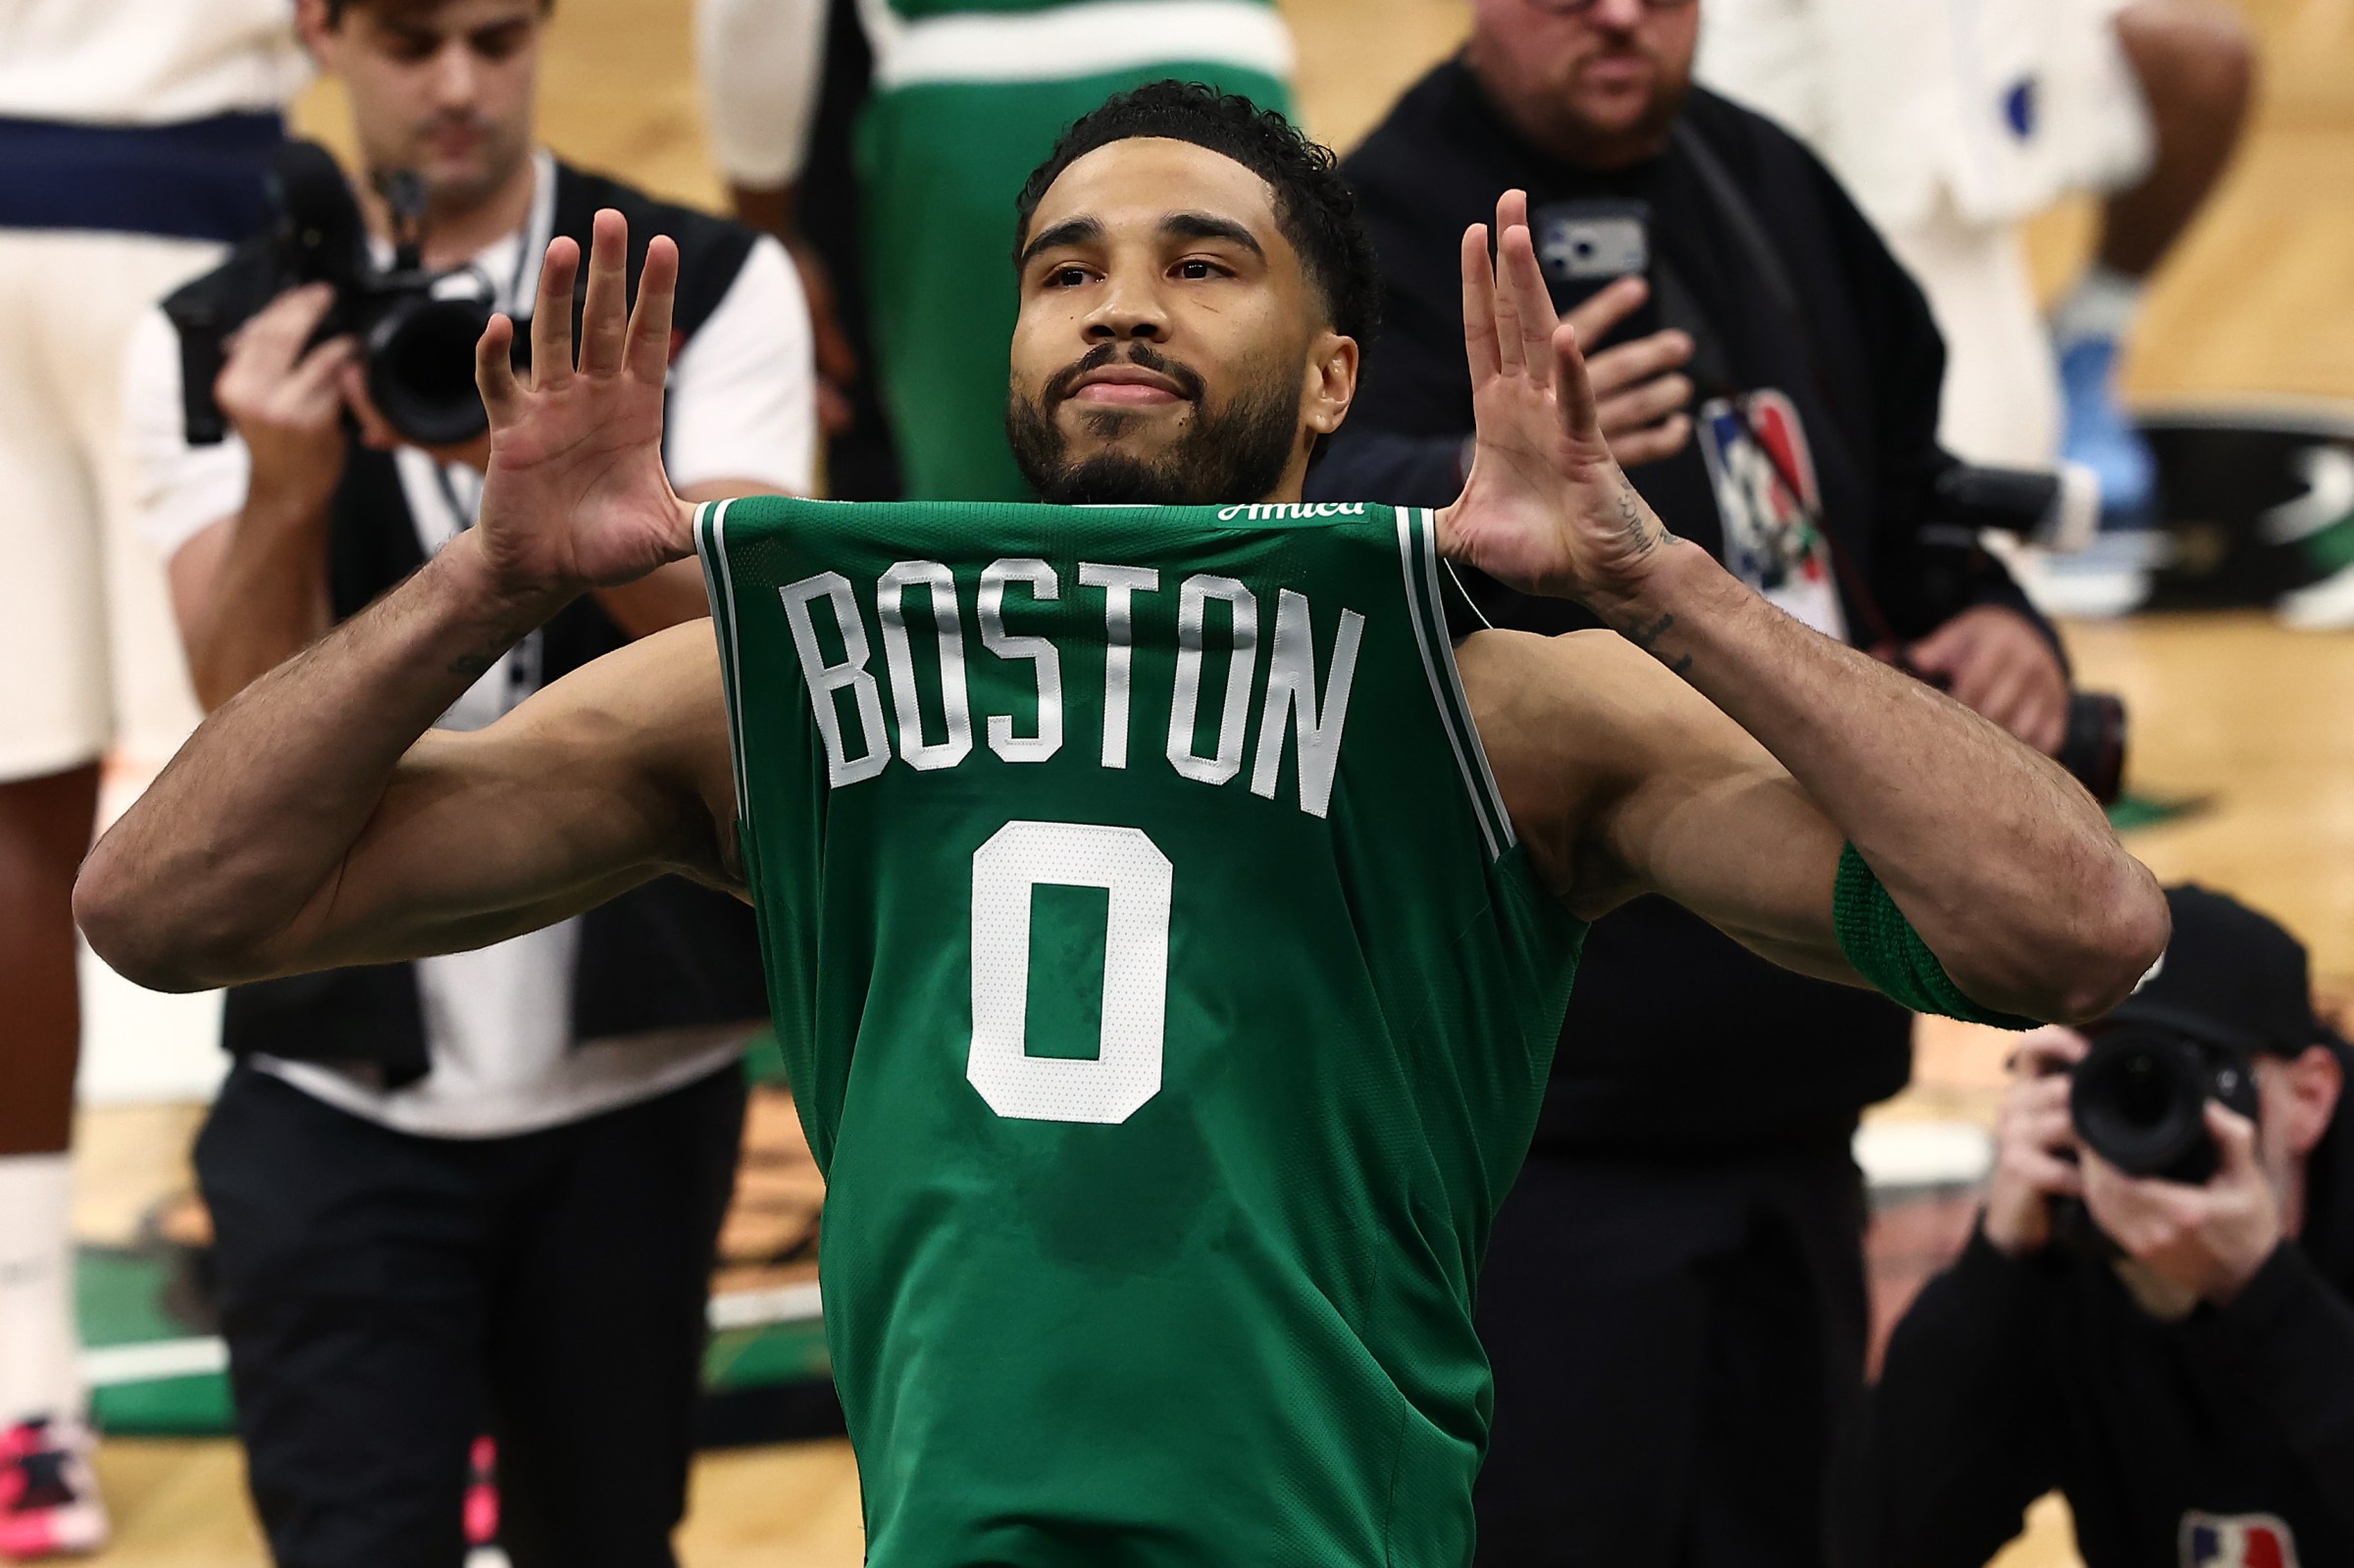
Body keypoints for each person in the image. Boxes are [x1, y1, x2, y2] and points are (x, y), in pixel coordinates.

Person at [75, 83, 2167, 1565]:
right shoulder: (786, 681)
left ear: (1338, 375)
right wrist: (484, 582)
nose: (1119, 302)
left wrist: (1664, 584)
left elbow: (2072, 925)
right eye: (1063, 266)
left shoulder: (1509, 699)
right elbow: (168, 907)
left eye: (1201, 261)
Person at [1312, 4, 2081, 1559]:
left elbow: (1907, 495)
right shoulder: (1363, 224)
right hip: (1535, 1144)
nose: (1618, 16)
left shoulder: (1767, 182)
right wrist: (1467, 475)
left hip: (1799, 1090)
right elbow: (1269, 517)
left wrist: (2001, 617)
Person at [115, 1, 814, 1562]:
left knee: (613, 1536)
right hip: (331, 1085)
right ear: (322, 28)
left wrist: (603, 518)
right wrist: (289, 485)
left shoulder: (708, 282)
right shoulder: (214, 328)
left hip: (639, 1081)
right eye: (413, 39)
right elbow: (242, 733)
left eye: (496, 39)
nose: (455, 87)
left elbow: (772, 656)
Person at [0, 2, 306, 1556]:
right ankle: (400, 1339)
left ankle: (19, 1393)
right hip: (197, 223)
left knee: (11, 811)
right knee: (310, 747)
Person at [1843, 885, 2354, 1568]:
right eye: (2097, 1076)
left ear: (2311, 1097)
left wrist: (2266, 1295)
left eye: (2189, 1070)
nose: (2142, 1118)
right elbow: (1876, 1539)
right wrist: (1999, 1265)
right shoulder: (2068, 1238)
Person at [1697, 0, 2254, 610]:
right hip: (1794, 191)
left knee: (2200, 60)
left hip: (1942, 122)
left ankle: (2086, 340)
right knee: (1965, 565)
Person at [695, 0, 1296, 500]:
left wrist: (770, 231)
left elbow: (753, 12)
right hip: (1232, 80)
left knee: (983, 542)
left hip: (964, 123)